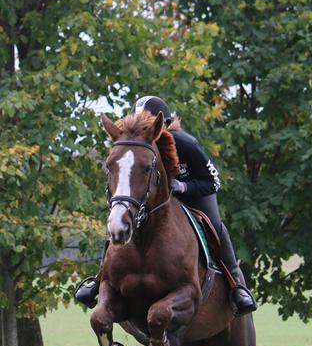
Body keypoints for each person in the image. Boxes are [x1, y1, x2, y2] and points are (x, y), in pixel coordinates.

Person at [74, 95, 258, 316]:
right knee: (122, 219)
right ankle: (100, 278)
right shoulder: (136, 146)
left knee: (216, 226)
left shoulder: (186, 144)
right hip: (157, 198)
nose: (142, 130)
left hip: (195, 194)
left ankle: (236, 285)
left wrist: (184, 187)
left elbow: (213, 181)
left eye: (146, 125)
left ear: (163, 124)